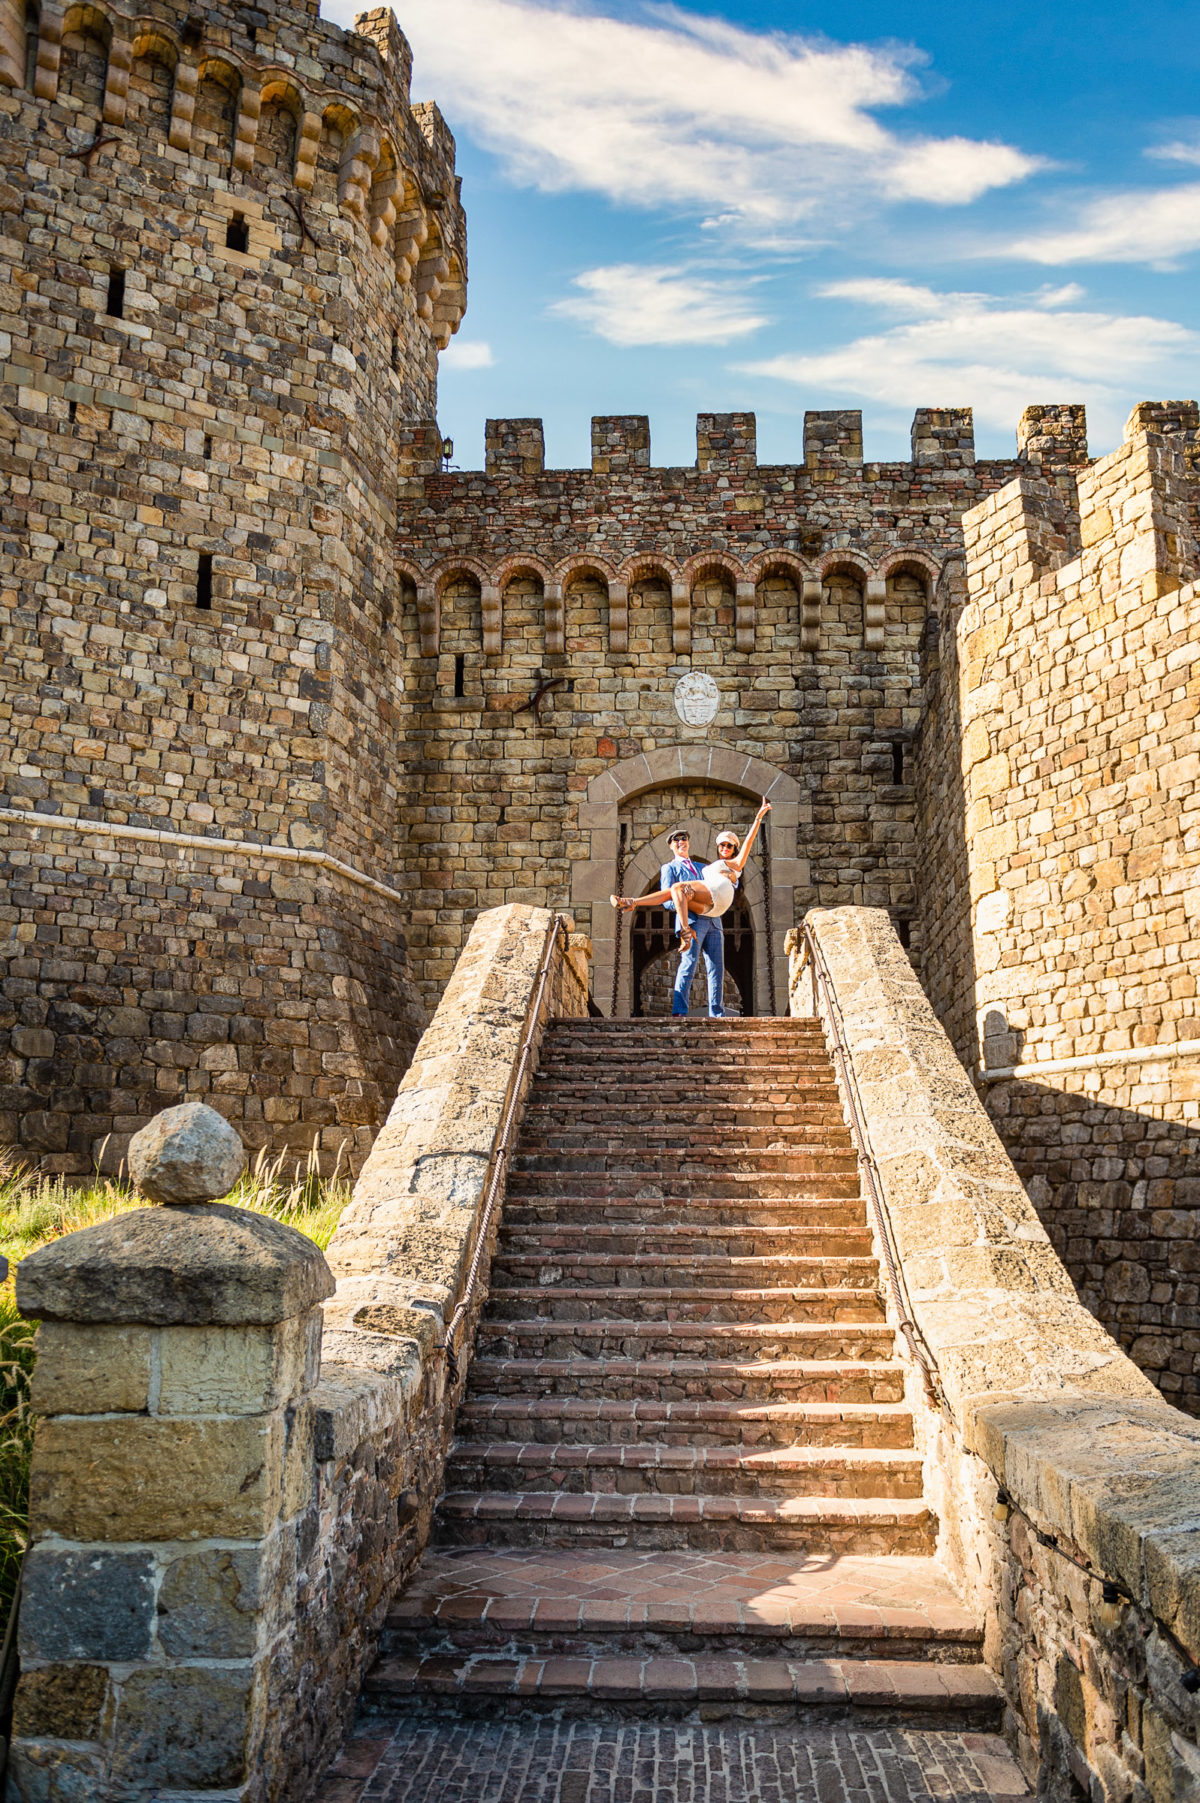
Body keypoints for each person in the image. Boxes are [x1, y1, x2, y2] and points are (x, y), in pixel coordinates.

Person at [612, 798, 772, 993]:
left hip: (716, 905)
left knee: (678, 889)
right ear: (670, 845)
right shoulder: (694, 867)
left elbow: (745, 848)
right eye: (722, 845)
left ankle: (651, 913)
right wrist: (685, 899)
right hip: (702, 908)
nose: (725, 848)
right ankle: (631, 902)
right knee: (676, 891)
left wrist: (758, 818)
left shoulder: (719, 865)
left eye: (729, 846)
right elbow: (670, 899)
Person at [654, 826, 726, 1017]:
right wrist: (686, 904)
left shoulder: (704, 868)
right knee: (689, 964)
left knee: (716, 970)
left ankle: (717, 1013)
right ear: (671, 846)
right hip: (692, 922)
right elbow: (668, 901)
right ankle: (679, 1011)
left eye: (683, 838)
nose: (681, 842)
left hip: (713, 920)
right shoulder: (669, 868)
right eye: (676, 840)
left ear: (688, 842)